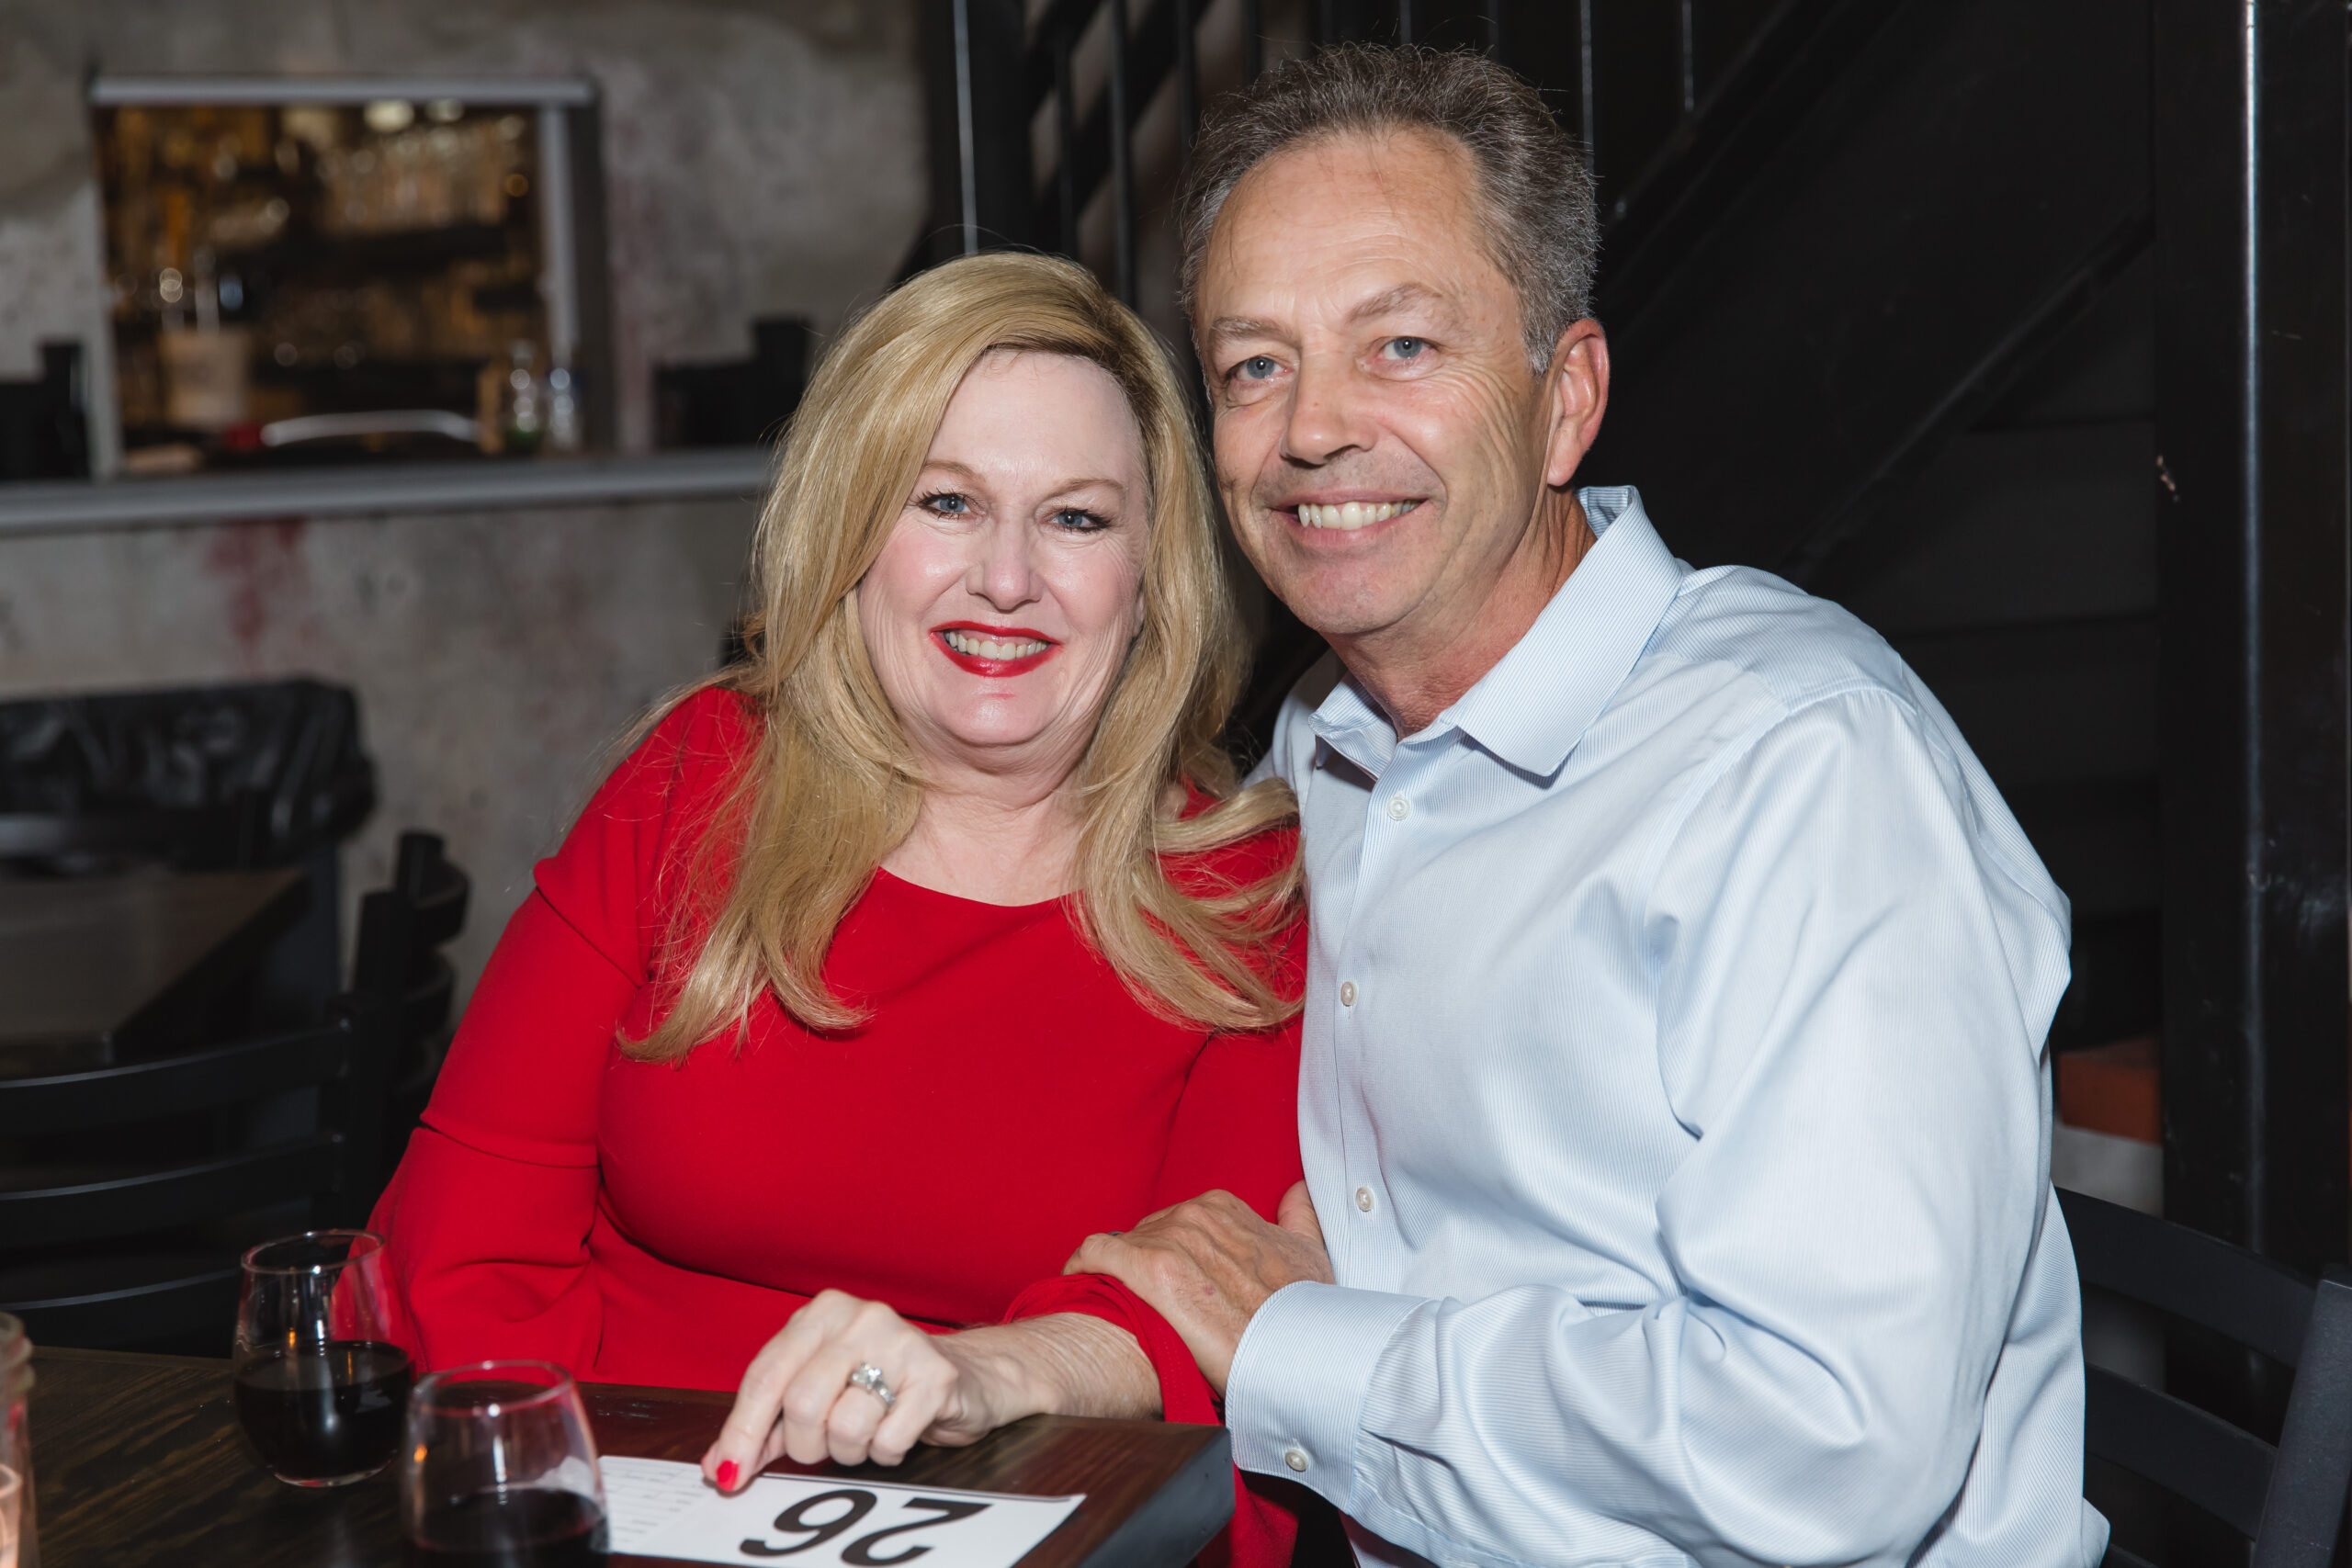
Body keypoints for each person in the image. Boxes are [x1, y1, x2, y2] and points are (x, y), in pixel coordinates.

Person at [1067, 45, 2107, 1567]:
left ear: (1565, 403)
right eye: (1254, 366)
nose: (1311, 430)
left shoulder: (1803, 767)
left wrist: (1305, 1346)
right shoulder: (1325, 747)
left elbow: (1828, 1450)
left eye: (1401, 345)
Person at [368, 252, 1310, 1566]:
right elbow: (460, 1256)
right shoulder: (699, 782)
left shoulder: (1237, 896)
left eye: (1077, 519)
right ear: (854, 533)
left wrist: (991, 1376)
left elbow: (1204, 1328)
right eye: (946, 501)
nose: (1006, 578)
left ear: (1154, 576)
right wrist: (576, 1507)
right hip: (609, 1504)